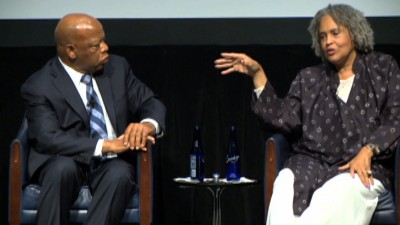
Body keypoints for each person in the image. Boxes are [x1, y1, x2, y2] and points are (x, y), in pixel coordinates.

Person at [215, 4, 400, 225]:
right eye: (322, 36)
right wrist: (257, 75)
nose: (328, 42)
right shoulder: (309, 78)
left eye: (335, 33)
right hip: (310, 163)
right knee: (284, 182)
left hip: (359, 166)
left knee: (337, 191)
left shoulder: (383, 68)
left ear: (354, 32)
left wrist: (368, 150)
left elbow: (395, 116)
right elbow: (283, 118)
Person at [21, 13, 166, 225]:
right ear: (71, 51)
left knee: (120, 173)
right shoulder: (39, 85)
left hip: (111, 165)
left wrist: (146, 126)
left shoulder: (117, 68)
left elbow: (151, 102)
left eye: (104, 40)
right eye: (96, 45)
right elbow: (47, 138)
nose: (105, 48)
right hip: (65, 160)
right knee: (62, 169)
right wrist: (106, 145)